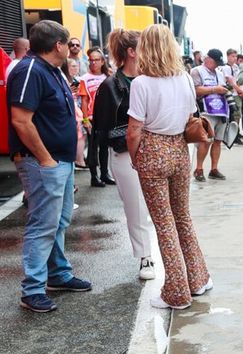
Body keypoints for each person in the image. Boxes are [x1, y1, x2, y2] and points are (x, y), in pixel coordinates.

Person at [8, 20, 93, 312]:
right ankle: (32, 289)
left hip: (59, 161)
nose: (71, 48)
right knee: (43, 224)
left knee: (58, 221)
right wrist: (45, 158)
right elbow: (20, 119)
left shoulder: (50, 70)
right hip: (42, 162)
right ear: (57, 45)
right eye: (67, 43)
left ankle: (58, 274)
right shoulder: (30, 70)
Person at [126, 24, 212, 310]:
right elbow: (190, 115)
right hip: (179, 149)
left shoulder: (141, 83)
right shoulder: (186, 78)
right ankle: (199, 279)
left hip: (153, 150)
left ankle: (176, 292)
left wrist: (136, 158)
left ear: (145, 49)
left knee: (163, 224)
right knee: (183, 216)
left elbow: (134, 130)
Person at [93, 28, 155, 281]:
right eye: (143, 47)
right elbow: (101, 127)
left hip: (153, 151)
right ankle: (145, 256)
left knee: (154, 207)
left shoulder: (152, 78)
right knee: (136, 207)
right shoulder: (110, 85)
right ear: (131, 52)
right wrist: (132, 135)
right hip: (124, 153)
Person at [190, 48, 234, 181]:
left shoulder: (219, 73)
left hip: (221, 111)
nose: (217, 66)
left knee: (218, 141)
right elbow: (195, 90)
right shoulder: (197, 71)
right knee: (206, 141)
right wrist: (215, 89)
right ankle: (199, 169)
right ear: (208, 59)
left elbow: (224, 89)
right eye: (215, 62)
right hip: (206, 111)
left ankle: (214, 169)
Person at [78, 47, 113, 187]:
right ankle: (94, 177)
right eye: (91, 60)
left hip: (106, 118)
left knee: (105, 147)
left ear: (103, 61)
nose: (93, 63)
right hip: (92, 119)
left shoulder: (108, 77)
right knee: (93, 148)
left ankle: (105, 174)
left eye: (96, 60)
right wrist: (85, 120)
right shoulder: (84, 79)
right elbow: (84, 101)